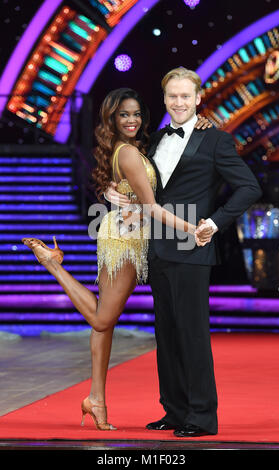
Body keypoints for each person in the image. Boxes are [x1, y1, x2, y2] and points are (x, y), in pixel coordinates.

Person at [22, 88, 213, 431]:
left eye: (137, 113)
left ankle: (96, 400)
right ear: (112, 118)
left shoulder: (137, 148)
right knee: (102, 318)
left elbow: (146, 200)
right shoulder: (127, 153)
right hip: (123, 239)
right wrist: (193, 228)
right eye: (124, 114)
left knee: (105, 323)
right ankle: (53, 265)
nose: (132, 120)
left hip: (132, 232)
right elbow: (153, 206)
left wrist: (199, 124)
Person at [105, 68, 263, 437]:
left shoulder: (216, 141)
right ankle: (174, 411)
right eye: (172, 96)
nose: (179, 102)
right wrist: (119, 195)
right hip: (157, 245)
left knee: (192, 333)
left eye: (185, 96)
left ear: (197, 99)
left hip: (194, 245)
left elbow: (249, 187)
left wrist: (215, 221)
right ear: (164, 100)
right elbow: (148, 195)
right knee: (168, 333)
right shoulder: (156, 138)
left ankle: (202, 417)